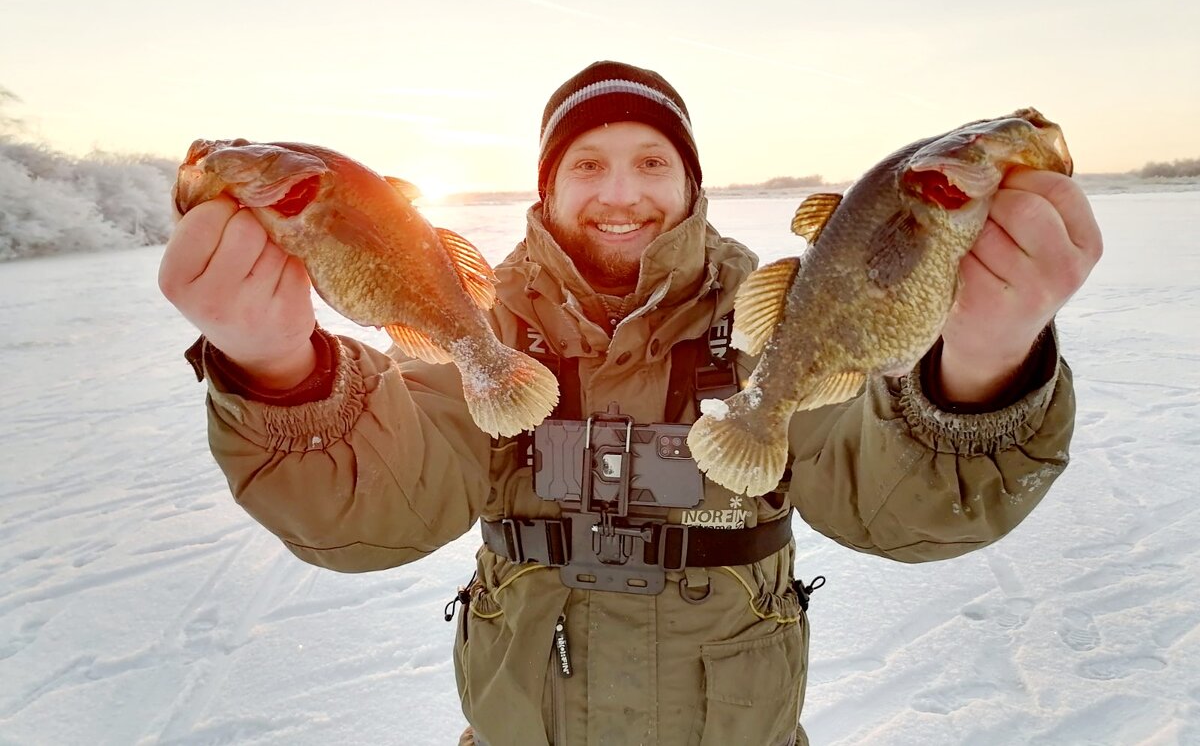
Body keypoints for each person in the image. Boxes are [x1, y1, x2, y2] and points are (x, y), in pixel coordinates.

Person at [158, 60, 1103, 746]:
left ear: (691, 182)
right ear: (548, 185)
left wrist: (985, 363)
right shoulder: (484, 322)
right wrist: (278, 366)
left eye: (653, 163)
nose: (622, 193)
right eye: (588, 165)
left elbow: (898, 513)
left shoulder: (771, 311)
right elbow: (378, 521)